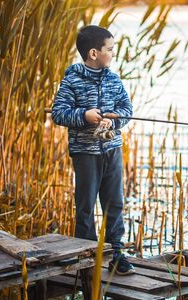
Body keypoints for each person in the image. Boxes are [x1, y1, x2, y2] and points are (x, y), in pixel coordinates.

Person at [52, 25, 134, 275]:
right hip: (85, 153)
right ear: (93, 53)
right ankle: (85, 256)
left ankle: (117, 254)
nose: (113, 53)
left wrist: (114, 120)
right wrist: (84, 116)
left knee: (115, 203)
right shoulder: (72, 79)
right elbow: (58, 113)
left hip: (112, 150)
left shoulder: (113, 78)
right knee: (86, 205)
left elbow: (126, 109)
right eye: (109, 49)